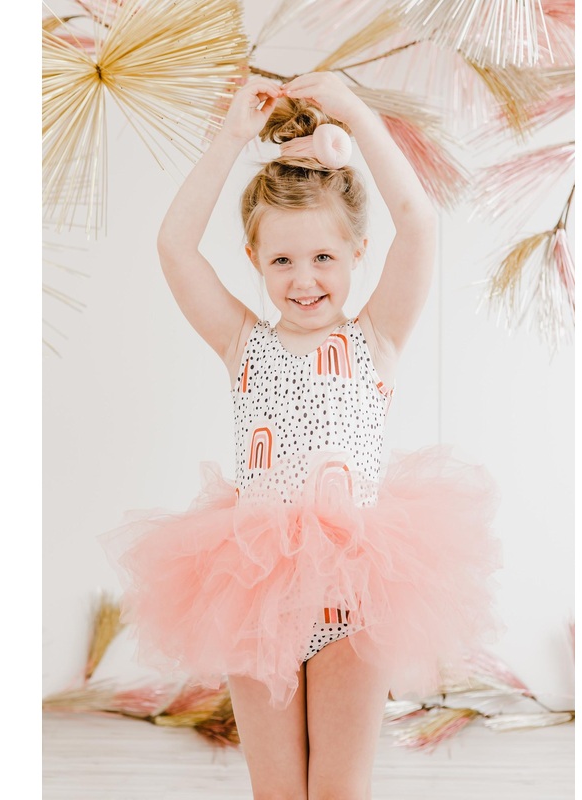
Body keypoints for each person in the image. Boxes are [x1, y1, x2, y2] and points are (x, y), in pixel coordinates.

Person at [102, 72, 501, 798]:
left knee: (339, 789)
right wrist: (231, 137)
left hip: (355, 591)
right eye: (282, 260)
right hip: (257, 593)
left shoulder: (376, 338)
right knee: (278, 791)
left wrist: (355, 111)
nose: (304, 279)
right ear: (254, 260)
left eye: (323, 258)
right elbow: (174, 246)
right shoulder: (242, 343)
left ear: (358, 252)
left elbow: (419, 221)